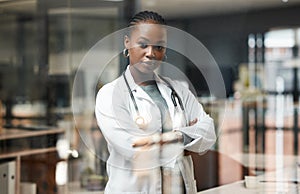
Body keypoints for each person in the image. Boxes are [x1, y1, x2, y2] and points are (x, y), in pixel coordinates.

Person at [95, 10, 216, 194]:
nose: (151, 53)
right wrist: (188, 139)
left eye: (159, 47)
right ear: (127, 43)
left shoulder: (178, 90)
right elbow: (134, 151)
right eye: (143, 44)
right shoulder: (110, 95)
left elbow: (208, 132)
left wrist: (174, 137)